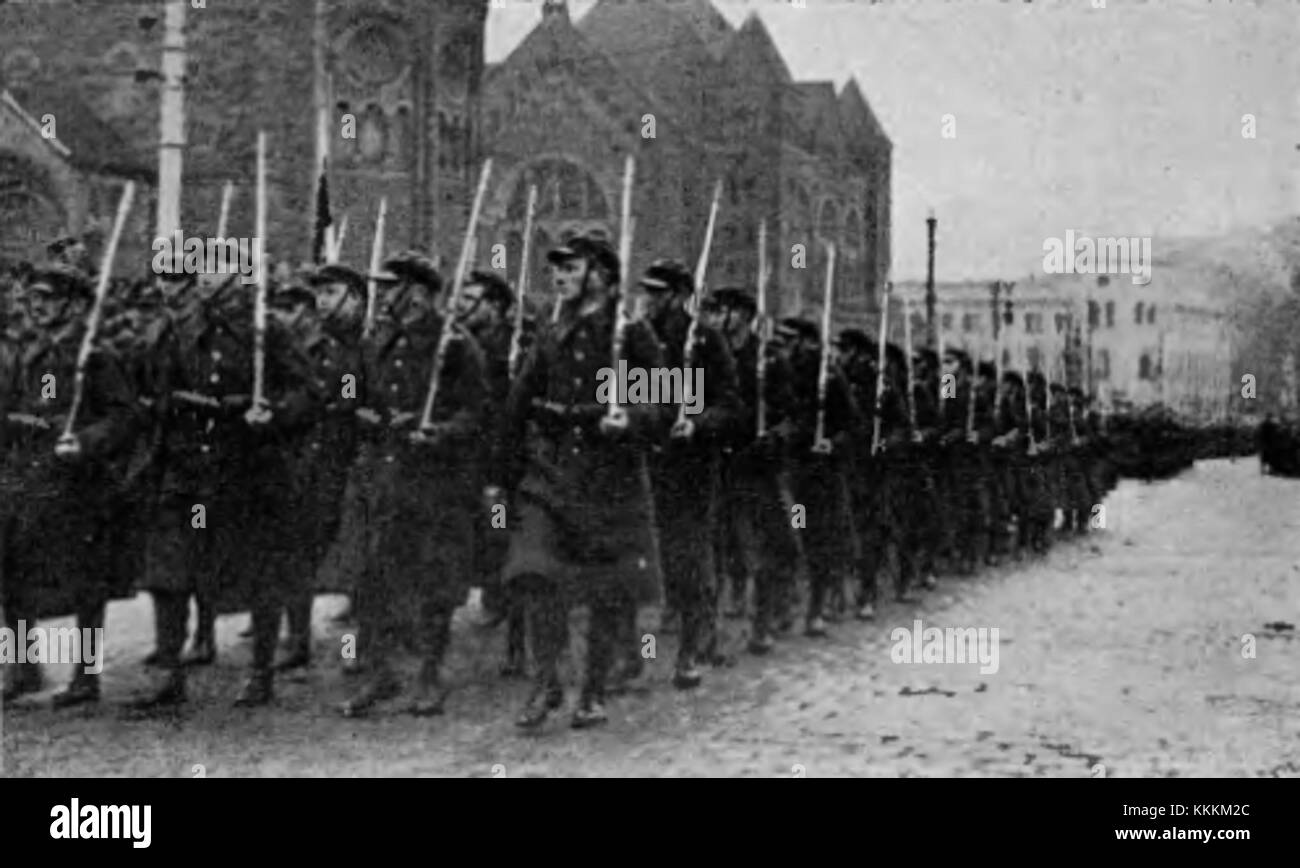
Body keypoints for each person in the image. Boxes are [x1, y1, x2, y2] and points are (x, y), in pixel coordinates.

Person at [493, 229, 665, 730]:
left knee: (605, 591)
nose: (561, 276)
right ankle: (545, 681)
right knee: (534, 572)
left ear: (604, 278)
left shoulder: (632, 334)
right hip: (548, 475)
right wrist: (500, 477)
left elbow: (671, 403)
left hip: (608, 476)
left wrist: (630, 417)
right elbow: (518, 404)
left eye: (573, 267)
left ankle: (591, 691)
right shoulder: (551, 327)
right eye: (558, 268)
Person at [340, 252, 489, 718]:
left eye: (393, 285)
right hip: (389, 475)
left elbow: (478, 412)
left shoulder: (456, 344)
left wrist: (440, 431)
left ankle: (429, 673)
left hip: (439, 481)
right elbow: (351, 388)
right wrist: (360, 412)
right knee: (379, 577)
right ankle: (381, 674)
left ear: (419, 293)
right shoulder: (376, 339)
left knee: (435, 582)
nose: (384, 293)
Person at [638, 259, 740, 687]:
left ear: (679, 296)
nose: (649, 301)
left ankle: (691, 653)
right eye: (647, 293)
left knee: (690, 559)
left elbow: (730, 406)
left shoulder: (706, 341)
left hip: (692, 468)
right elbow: (625, 390)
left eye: (658, 294)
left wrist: (696, 422)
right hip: (646, 464)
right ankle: (637, 655)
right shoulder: (639, 339)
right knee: (646, 561)